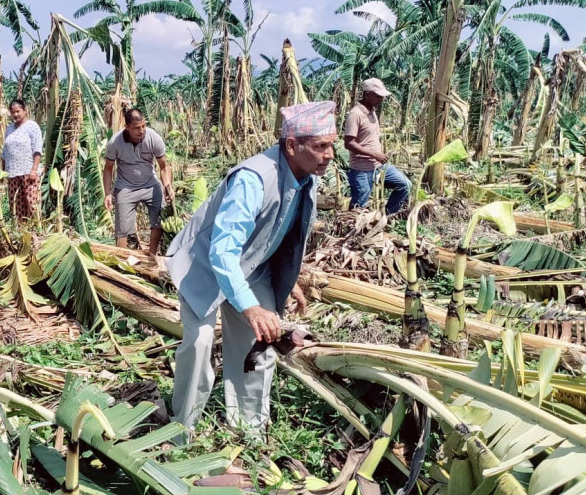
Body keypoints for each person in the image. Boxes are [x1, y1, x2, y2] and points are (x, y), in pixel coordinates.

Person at [166, 101, 337, 435]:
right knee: (200, 345)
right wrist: (251, 308)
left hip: (251, 268)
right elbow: (222, 252)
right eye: (320, 146)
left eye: (331, 145)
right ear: (291, 145)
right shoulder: (253, 179)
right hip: (204, 266)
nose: (329, 154)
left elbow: (275, 232)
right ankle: (181, 430)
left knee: (260, 346)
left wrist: (289, 280)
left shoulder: (307, 179)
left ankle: (249, 430)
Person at [103, 108, 173, 256]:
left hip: (150, 183)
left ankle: (151, 254)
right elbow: (108, 168)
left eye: (143, 126)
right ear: (126, 127)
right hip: (125, 187)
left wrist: (168, 186)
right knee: (121, 228)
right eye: (136, 128)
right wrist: (107, 194)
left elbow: (164, 166)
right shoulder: (115, 142)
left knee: (158, 220)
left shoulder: (153, 137)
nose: (141, 131)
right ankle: (121, 260)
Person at [344, 78, 410, 216]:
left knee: (405, 185)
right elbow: (348, 143)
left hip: (378, 166)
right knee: (359, 206)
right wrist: (374, 154)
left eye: (382, 97)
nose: (381, 100)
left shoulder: (372, 111)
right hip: (361, 169)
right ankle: (353, 232)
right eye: (378, 96)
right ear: (367, 94)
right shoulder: (355, 114)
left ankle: (386, 216)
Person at [1, 99, 43, 223]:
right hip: (12, 173)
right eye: (13, 112)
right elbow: (5, 152)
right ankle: (20, 230)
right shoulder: (9, 129)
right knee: (16, 204)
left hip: (28, 172)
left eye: (18, 111)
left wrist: (34, 170)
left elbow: (37, 150)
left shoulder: (32, 126)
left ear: (25, 110)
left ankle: (36, 229)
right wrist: (3, 172)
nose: (15, 115)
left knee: (31, 203)